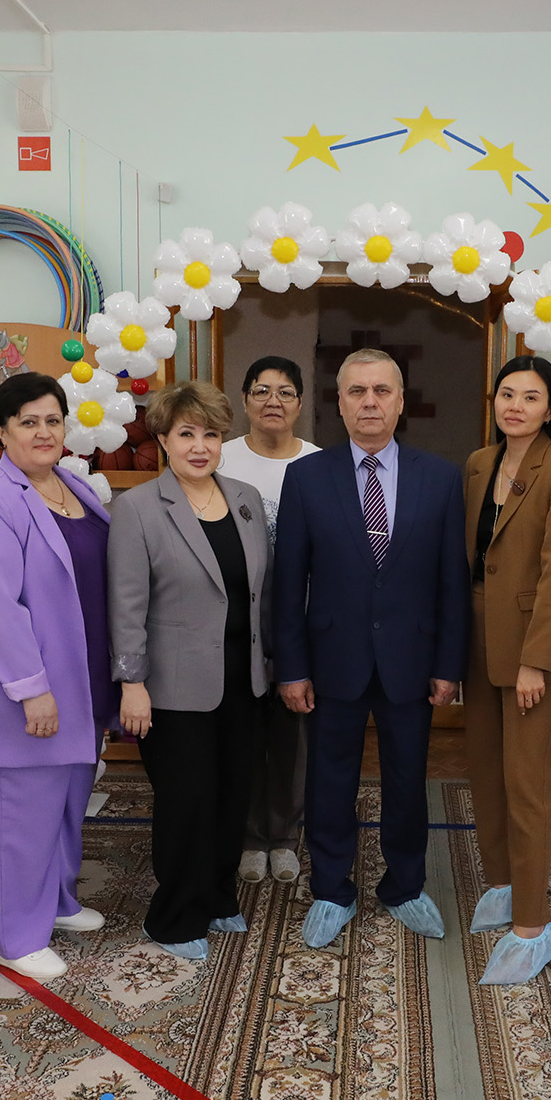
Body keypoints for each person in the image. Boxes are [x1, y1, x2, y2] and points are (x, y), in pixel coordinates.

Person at [273, 348, 469, 949]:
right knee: (329, 780)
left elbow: (452, 581)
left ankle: (405, 886)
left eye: (382, 391)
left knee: (408, 780)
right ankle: (331, 889)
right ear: (339, 402)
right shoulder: (307, 477)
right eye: (357, 391)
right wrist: (292, 667)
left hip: (412, 660)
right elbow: (288, 582)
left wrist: (448, 664)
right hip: (332, 659)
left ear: (400, 401)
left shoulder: (441, 478)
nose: (370, 402)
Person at [0, 371, 113, 982]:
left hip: (81, 679)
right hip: (23, 691)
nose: (44, 432)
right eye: (28, 422)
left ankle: (57, 901)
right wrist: (30, 687)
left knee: (66, 803)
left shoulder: (73, 485)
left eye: (53, 420)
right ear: (1, 432)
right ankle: (15, 937)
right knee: (20, 814)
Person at [109, 382, 272, 960]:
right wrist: (132, 683)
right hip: (171, 687)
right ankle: (174, 918)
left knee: (232, 794)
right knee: (187, 801)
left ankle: (218, 896)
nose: (200, 447)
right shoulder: (137, 508)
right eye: (186, 434)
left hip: (243, 680)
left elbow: (259, 591)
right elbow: (126, 605)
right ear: (162, 439)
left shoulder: (246, 499)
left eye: (210, 434)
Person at [460, 356, 551, 984]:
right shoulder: (478, 462)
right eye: (506, 394)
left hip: (533, 645)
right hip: (477, 637)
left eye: (530, 397)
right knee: (486, 773)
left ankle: (533, 922)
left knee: (527, 784)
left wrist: (536, 661)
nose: (515, 406)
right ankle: (503, 884)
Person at [217, 356, 321, 885]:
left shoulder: (321, 464)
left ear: (300, 403)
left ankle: (284, 835)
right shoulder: (221, 459)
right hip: (237, 620)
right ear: (244, 400)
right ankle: (250, 836)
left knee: (292, 733)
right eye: (261, 391)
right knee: (243, 730)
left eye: (284, 392)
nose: (272, 401)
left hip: (302, 619)